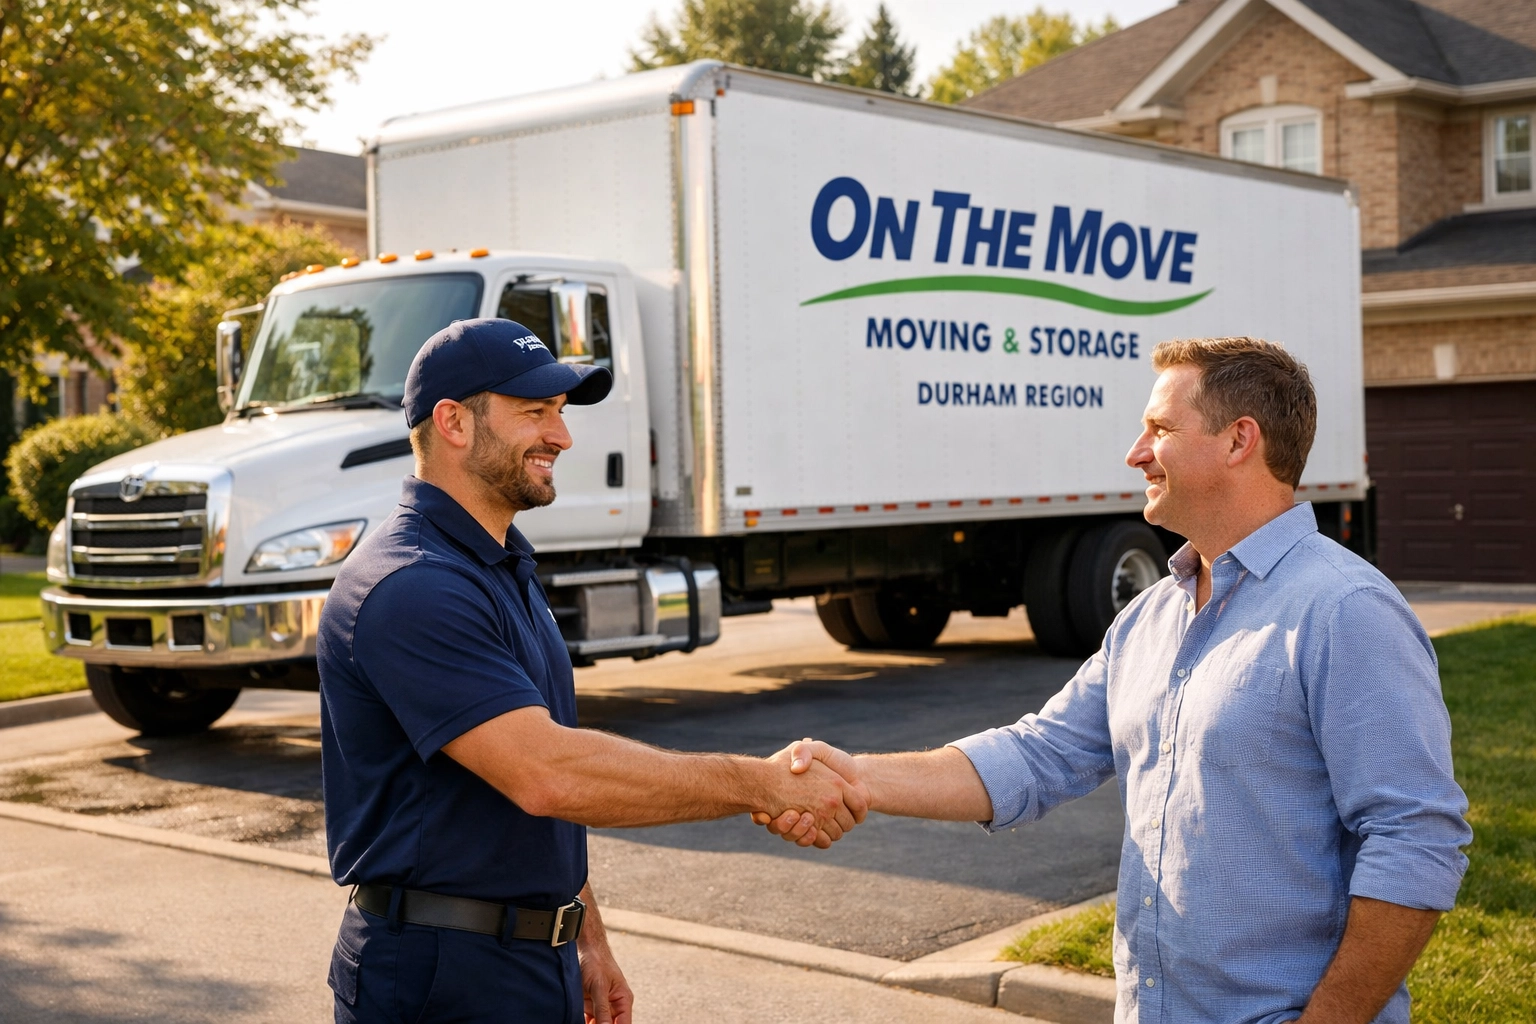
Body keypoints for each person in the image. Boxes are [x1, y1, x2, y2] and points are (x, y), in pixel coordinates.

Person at [765, 337, 1471, 1024]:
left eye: (1159, 429)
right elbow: (1037, 755)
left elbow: (1415, 839)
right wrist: (855, 776)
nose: (1135, 454)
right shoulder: (1149, 618)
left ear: (1238, 440)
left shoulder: (1345, 610)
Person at [317, 318, 866, 1024]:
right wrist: (758, 782)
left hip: (527, 958)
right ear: (453, 422)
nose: (562, 437)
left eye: (561, 413)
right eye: (535, 413)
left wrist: (582, 935)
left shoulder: (499, 566)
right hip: (441, 975)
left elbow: (539, 794)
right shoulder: (412, 585)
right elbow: (550, 774)